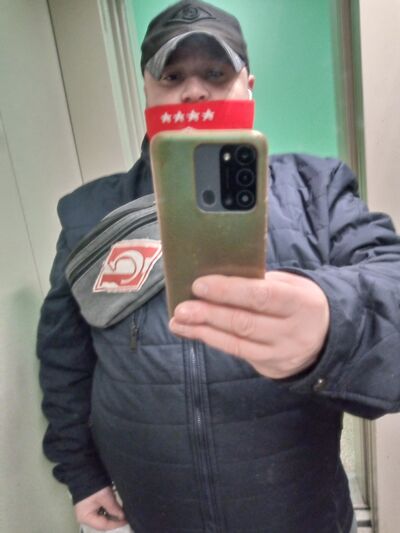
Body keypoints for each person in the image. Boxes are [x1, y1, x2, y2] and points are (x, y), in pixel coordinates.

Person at [37, 1, 400, 532]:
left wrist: (330, 318)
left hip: (299, 512)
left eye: (215, 73)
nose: (193, 91)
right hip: (160, 513)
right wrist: (81, 473)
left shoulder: (316, 190)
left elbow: (392, 287)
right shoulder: (90, 213)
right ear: (146, 91)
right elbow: (64, 360)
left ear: (247, 87)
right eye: (172, 76)